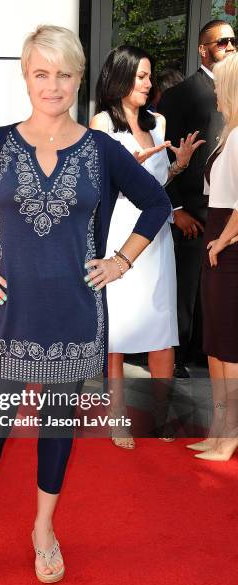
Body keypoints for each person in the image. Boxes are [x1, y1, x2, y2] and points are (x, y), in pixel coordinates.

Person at [0, 25, 171, 585]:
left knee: (56, 428)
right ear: (25, 75)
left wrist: (120, 261)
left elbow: (156, 203)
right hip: (11, 320)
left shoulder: (101, 151)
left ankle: (44, 530)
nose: (53, 85)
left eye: (64, 74)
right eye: (41, 73)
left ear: (78, 78)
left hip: (76, 318)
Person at [90, 45, 203, 449]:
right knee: (116, 334)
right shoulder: (101, 123)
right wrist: (127, 169)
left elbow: (159, 187)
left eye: (149, 76)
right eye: (140, 76)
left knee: (161, 330)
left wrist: (178, 166)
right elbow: (97, 188)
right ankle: (117, 417)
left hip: (155, 242)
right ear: (119, 78)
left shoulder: (159, 122)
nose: (148, 83)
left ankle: (161, 414)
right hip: (119, 234)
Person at [158, 19, 236, 378]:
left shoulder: (234, 92)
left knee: (216, 302)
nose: (231, 47)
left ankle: (208, 355)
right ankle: (177, 355)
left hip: (226, 217)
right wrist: (176, 210)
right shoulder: (181, 95)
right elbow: (166, 157)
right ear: (204, 49)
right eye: (222, 42)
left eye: (234, 41)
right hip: (193, 214)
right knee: (186, 292)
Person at [187, 52, 238, 461]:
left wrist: (221, 242)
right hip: (217, 244)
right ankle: (219, 429)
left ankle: (231, 433)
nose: (214, 90)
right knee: (215, 346)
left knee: (230, 347)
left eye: (219, 84)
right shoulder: (229, 134)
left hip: (230, 249)